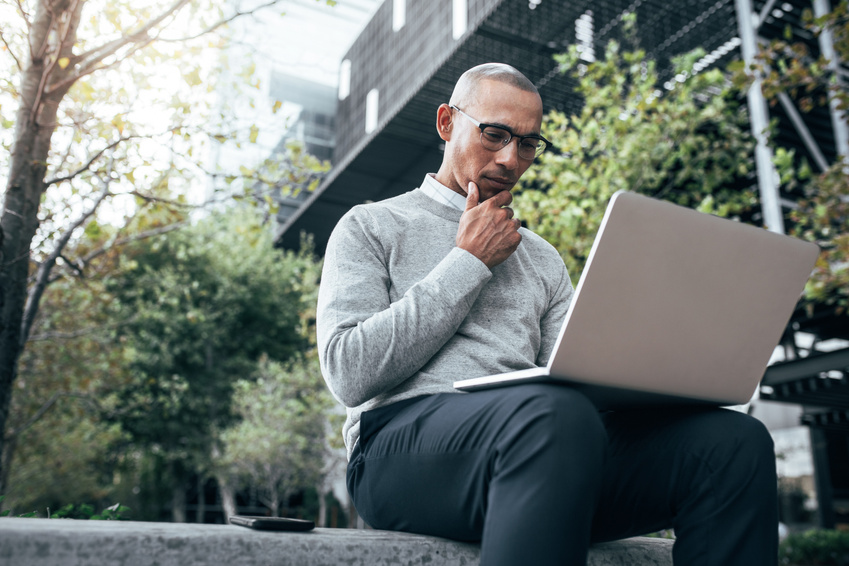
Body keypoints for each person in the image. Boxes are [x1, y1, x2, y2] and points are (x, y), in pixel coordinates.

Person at [316, 62, 778, 565]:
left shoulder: (542, 256)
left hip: (550, 443)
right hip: (397, 450)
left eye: (529, 144)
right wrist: (467, 262)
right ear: (447, 123)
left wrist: (655, 370)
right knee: (552, 415)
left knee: (732, 442)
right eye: (494, 135)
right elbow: (349, 371)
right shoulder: (372, 224)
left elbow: (576, 380)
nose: (510, 159)